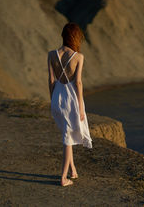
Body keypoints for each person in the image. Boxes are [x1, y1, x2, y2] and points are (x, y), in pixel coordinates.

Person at [47, 22, 93, 187]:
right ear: (75, 37)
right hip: (71, 99)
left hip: (57, 97)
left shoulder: (51, 54)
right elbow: (78, 83)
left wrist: (52, 100)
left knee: (68, 133)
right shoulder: (78, 57)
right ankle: (63, 178)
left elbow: (51, 81)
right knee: (68, 138)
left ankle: (73, 170)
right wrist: (80, 107)